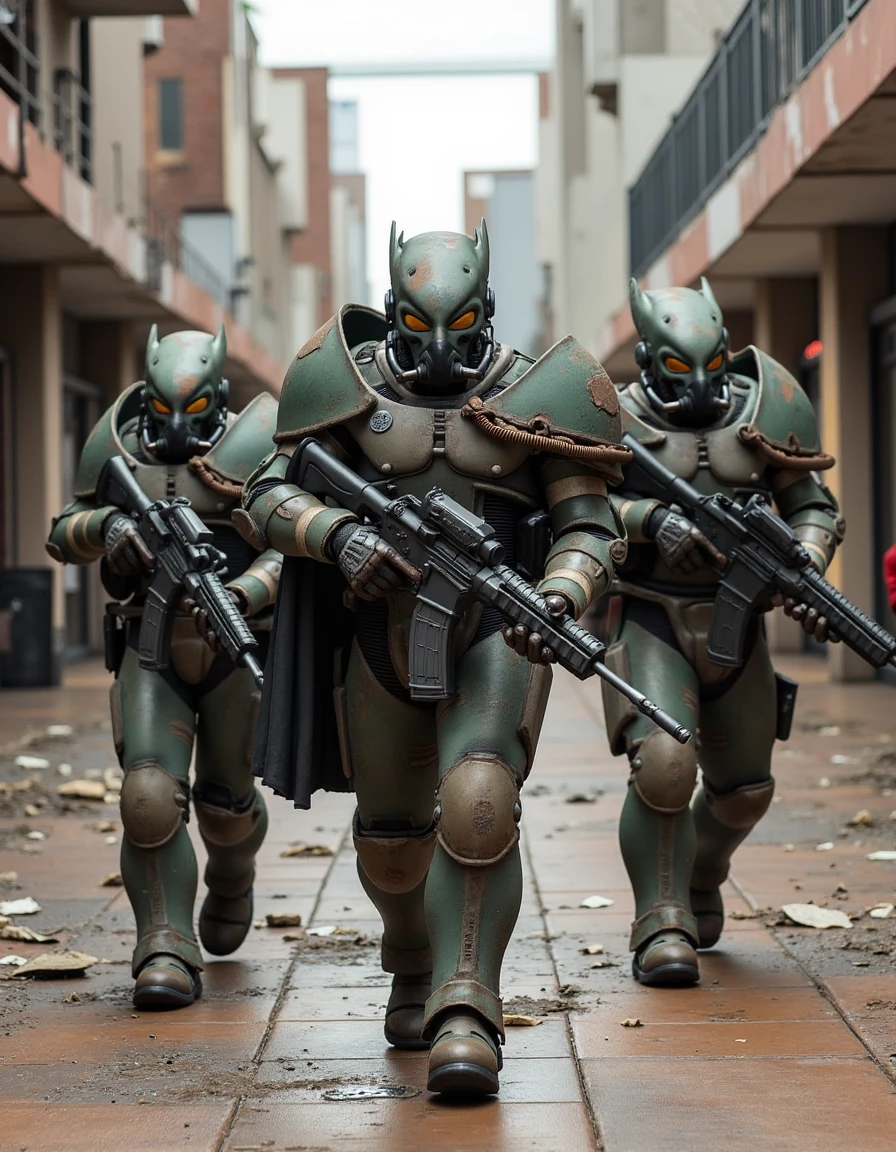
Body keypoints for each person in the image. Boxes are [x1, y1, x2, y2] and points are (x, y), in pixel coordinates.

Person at [240, 222, 628, 1095]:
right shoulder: (340, 386)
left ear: (486, 310)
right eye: (419, 327)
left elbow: (590, 526)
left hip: (496, 626)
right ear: (392, 314)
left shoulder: (539, 392)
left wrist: (563, 592)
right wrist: (337, 536)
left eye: (459, 324)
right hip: (377, 631)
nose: (443, 347)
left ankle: (469, 1007)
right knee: (389, 839)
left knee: (479, 797)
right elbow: (265, 494)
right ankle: (413, 958)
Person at [603, 277, 844, 987]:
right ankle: (661, 918)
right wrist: (653, 521)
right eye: (679, 367)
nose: (702, 385)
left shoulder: (767, 405)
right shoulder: (613, 416)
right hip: (651, 613)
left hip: (741, 620)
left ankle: (702, 869)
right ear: (648, 357)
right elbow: (580, 507)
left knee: (745, 788)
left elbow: (813, 503)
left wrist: (805, 558)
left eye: (711, 364)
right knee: (664, 765)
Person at [47, 326, 281, 1009]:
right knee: (148, 796)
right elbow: (65, 527)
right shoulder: (117, 442)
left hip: (237, 643)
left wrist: (247, 592)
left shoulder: (258, 441)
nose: (179, 428)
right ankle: (165, 943)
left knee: (227, 805)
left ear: (221, 398)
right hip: (150, 649)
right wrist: (108, 530)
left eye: (197, 410)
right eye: (165, 409)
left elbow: (290, 538)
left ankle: (232, 875)